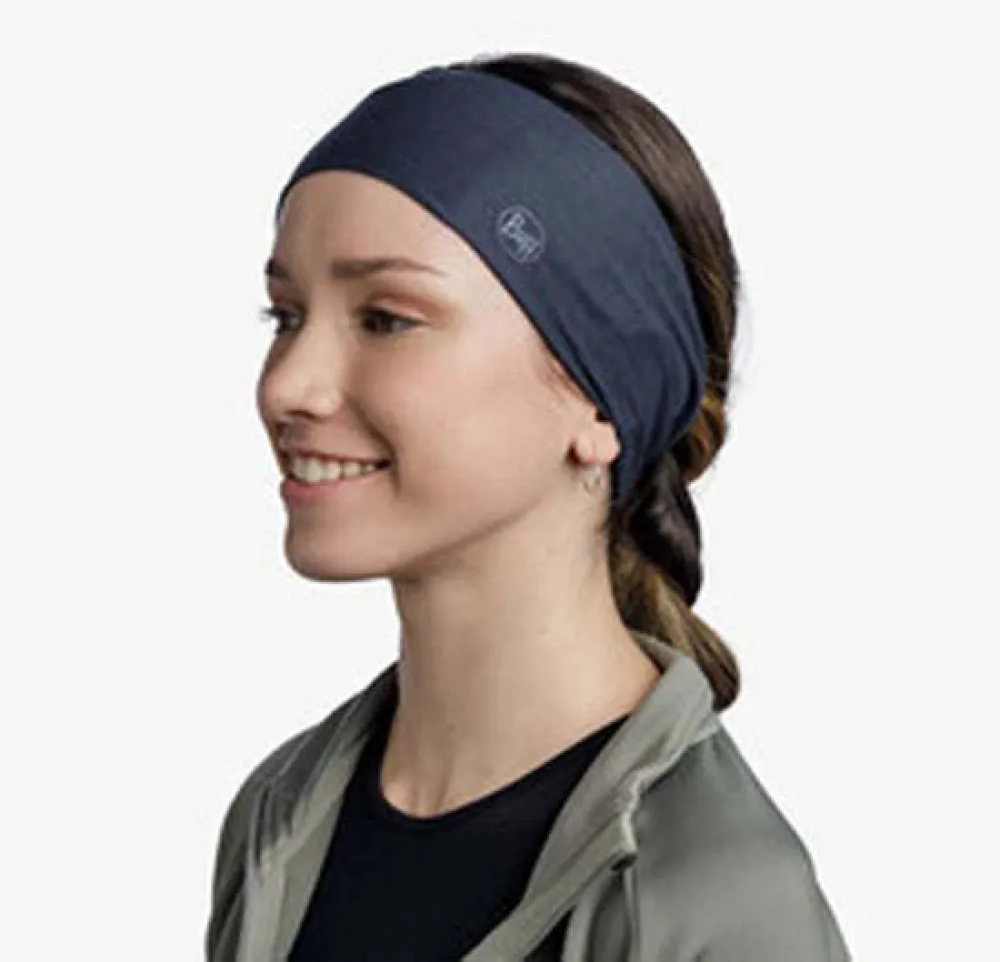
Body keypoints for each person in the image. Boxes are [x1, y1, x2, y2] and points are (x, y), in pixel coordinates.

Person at [205, 52, 852, 961]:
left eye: (386, 318)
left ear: (596, 396)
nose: (287, 385)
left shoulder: (720, 900)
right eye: (286, 316)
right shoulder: (279, 816)